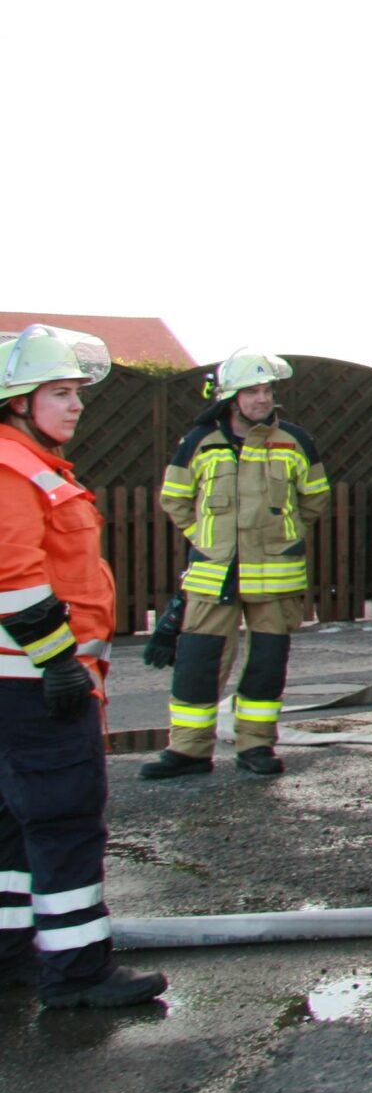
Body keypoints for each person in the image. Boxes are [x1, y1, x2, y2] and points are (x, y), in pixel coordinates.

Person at [0, 326, 165, 1009]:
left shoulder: (32, 463)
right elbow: (13, 575)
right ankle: (76, 972)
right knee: (66, 818)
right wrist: (60, 661)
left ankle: (14, 950)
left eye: (76, 392)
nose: (76, 406)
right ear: (18, 401)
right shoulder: (13, 467)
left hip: (24, 680)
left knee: (14, 823)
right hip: (35, 682)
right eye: (60, 392)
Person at [140, 350, 331, 780]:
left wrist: (286, 536)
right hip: (215, 575)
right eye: (253, 391)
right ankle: (188, 751)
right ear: (232, 398)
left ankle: (257, 746)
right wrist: (206, 540)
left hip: (276, 578)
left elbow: (316, 498)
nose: (263, 399)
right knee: (199, 664)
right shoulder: (198, 442)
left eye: (267, 390)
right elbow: (175, 498)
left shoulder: (296, 441)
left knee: (266, 666)